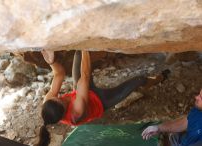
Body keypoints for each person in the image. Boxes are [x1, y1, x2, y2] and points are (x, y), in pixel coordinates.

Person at [37, 50, 170, 146]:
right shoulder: (77, 111)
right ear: (64, 110)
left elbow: (59, 74)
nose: (59, 96)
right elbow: (85, 75)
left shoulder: (48, 102)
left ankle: (107, 51)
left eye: (56, 97)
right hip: (100, 101)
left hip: (80, 93)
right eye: (61, 100)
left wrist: (52, 62)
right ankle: (159, 79)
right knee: (139, 80)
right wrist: (86, 47)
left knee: (78, 53)